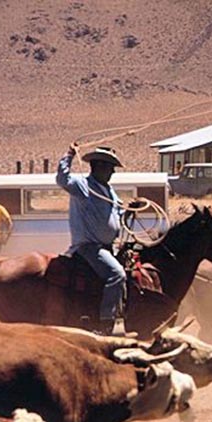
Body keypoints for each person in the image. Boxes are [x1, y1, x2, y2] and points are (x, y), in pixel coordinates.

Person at [56, 143, 135, 337]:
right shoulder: (82, 185)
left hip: (108, 246)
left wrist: (129, 211)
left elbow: (117, 213)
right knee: (117, 274)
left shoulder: (109, 190)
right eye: (109, 168)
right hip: (89, 246)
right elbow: (62, 179)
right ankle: (106, 325)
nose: (112, 172)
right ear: (98, 166)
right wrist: (69, 155)